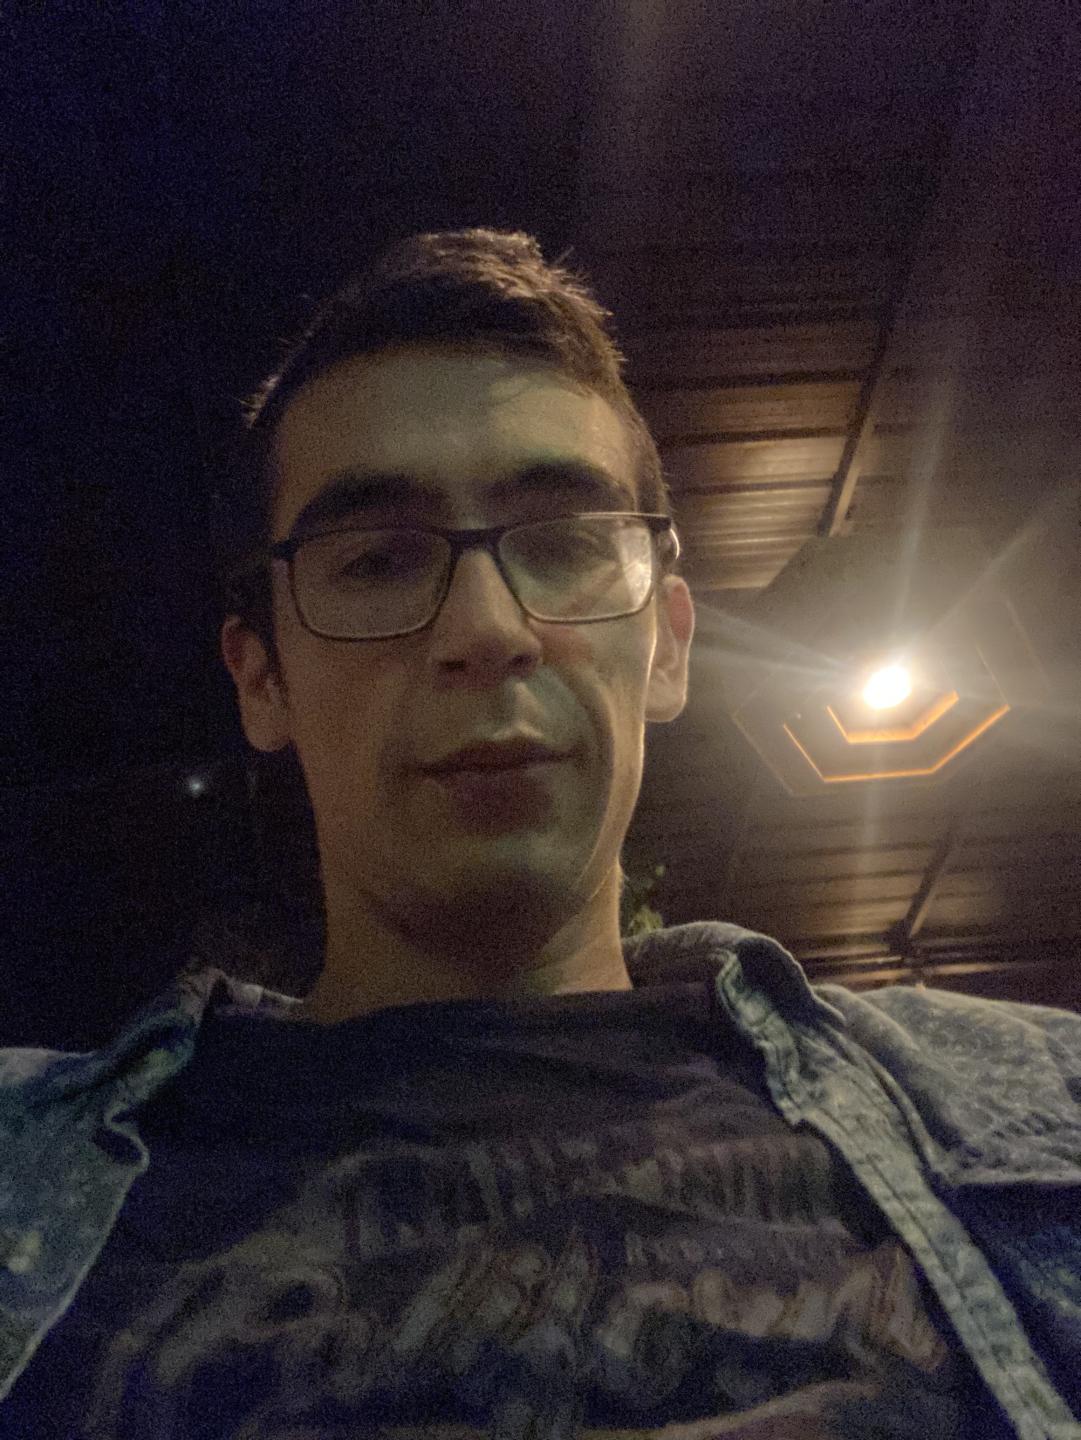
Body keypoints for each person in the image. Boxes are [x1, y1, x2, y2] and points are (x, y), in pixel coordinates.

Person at [1, 230, 1078, 1439]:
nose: (487, 628)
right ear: (261, 679)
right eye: (376, 560)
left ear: (666, 647)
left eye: (563, 544)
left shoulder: (1051, 1104)